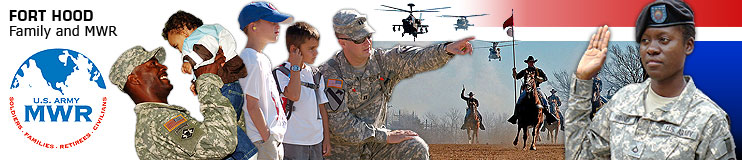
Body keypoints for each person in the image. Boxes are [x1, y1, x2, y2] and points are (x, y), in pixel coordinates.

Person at [565, 0, 736, 159]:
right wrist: (583, 80)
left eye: (664, 39)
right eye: (645, 40)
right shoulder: (622, 101)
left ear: (688, 45)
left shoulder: (709, 119)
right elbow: (580, 156)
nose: (652, 49)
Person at [319, 9, 474, 159]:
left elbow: (415, 59)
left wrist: (446, 50)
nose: (367, 42)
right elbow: (342, 126)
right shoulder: (330, 74)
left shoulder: (382, 61)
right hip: (343, 153)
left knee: (415, 147)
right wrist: (385, 136)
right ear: (342, 42)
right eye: (359, 39)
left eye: (368, 36)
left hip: (376, 147)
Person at [110, 46, 237, 159]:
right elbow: (223, 142)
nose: (163, 66)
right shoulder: (162, 120)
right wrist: (207, 83)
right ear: (134, 79)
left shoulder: (151, 121)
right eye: (153, 64)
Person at [161, 10, 255, 159]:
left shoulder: (200, 35)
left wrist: (189, 61)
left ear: (184, 29)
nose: (178, 50)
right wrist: (196, 83)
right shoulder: (199, 40)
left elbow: (207, 49)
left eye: (175, 45)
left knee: (223, 125)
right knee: (227, 134)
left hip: (224, 88)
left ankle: (249, 154)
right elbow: (205, 66)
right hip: (229, 88)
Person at [237, 2, 293, 159]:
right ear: (253, 26)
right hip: (261, 140)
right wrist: (268, 139)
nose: (278, 26)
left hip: (267, 138)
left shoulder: (260, 58)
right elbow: (252, 105)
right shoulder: (251, 58)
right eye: (271, 21)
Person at [272, 22, 332, 159]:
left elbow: (322, 109)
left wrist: (326, 139)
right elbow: (293, 95)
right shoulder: (280, 73)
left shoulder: (316, 74)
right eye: (311, 48)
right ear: (294, 50)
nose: (316, 53)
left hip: (316, 141)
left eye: (316, 48)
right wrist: (295, 67)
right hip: (292, 142)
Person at [508, 55, 557, 124]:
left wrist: (538, 78)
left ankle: (548, 117)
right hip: (527, 89)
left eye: (532, 62)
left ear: (534, 62)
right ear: (527, 63)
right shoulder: (525, 71)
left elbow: (545, 78)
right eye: (530, 62)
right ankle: (515, 116)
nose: (531, 63)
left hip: (536, 88)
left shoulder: (538, 70)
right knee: (519, 101)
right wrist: (514, 72)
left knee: (544, 100)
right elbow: (517, 77)